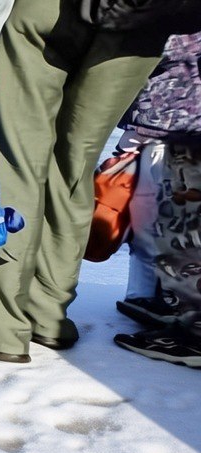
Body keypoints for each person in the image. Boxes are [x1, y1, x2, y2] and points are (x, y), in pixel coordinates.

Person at [0, 0, 171, 362]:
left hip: (46, 11)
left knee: (14, 159)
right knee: (74, 164)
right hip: (140, 19)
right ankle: (46, 313)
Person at [113, 32, 201, 368]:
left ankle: (189, 329)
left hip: (174, 122)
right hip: (168, 121)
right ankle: (158, 303)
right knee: (160, 218)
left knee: (173, 221)